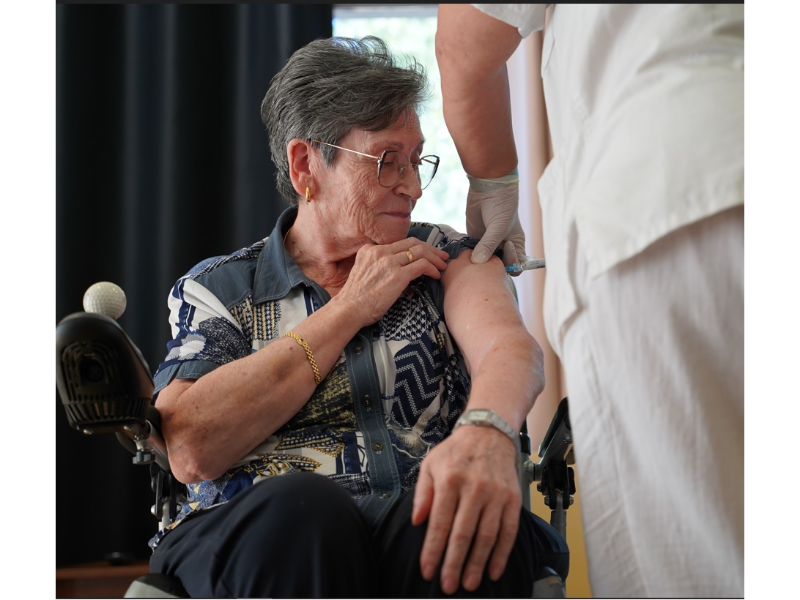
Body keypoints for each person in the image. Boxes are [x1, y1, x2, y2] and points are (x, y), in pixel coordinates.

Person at [145, 35, 568, 597]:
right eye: (388, 162)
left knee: (451, 522)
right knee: (302, 510)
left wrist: (486, 431)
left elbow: (510, 352)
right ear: (306, 166)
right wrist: (350, 308)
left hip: (417, 522)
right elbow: (191, 447)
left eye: (418, 161)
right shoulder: (219, 288)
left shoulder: (448, 259)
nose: (414, 188)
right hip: (266, 536)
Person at [435, 4, 745, 598]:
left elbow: (463, 45)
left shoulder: (452, 263)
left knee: (684, 569)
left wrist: (495, 179)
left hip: (665, 201)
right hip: (685, 180)